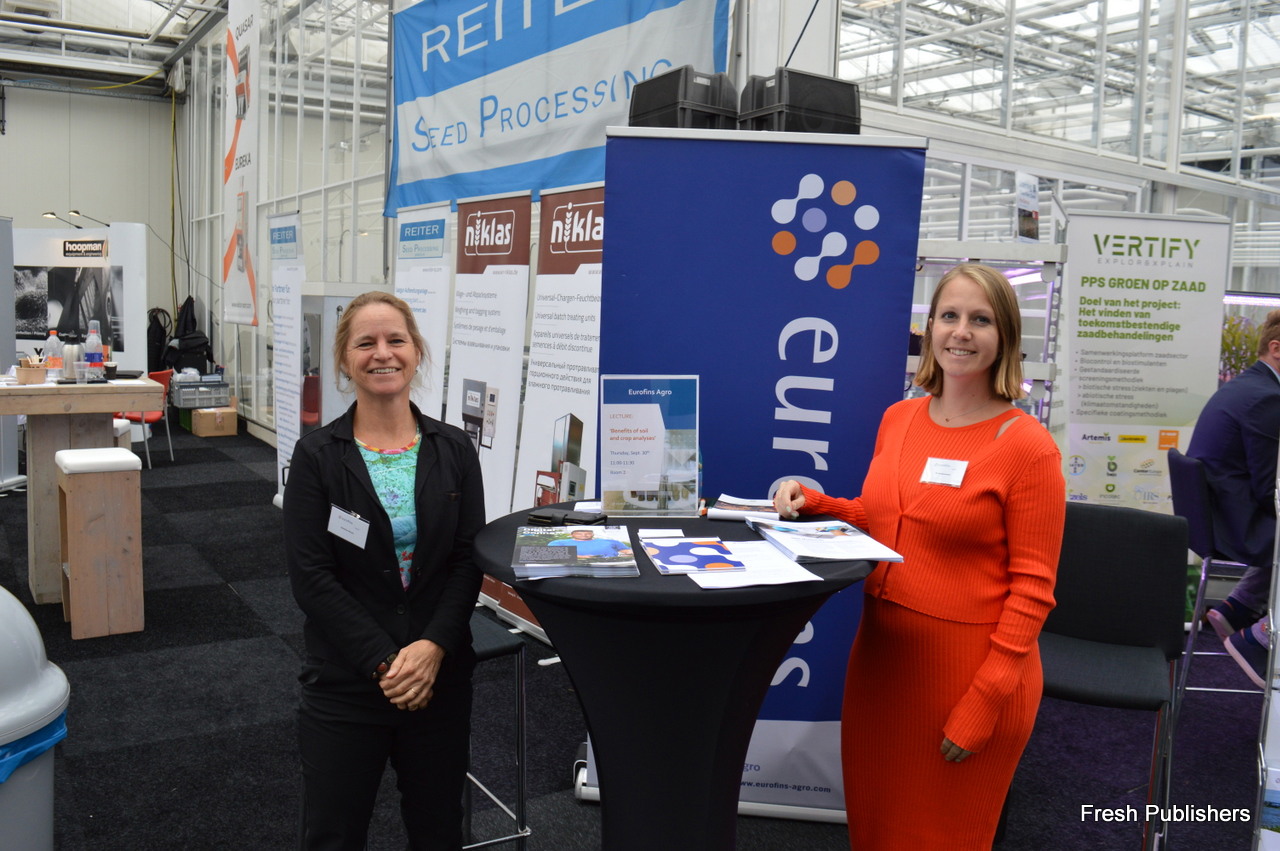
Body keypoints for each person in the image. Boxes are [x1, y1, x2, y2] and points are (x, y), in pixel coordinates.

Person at [774, 263, 1065, 849]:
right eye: (949, 315)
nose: (962, 332)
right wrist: (816, 502)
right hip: (882, 662)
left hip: (967, 676)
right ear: (930, 327)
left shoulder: (1029, 448)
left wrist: (984, 703)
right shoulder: (899, 418)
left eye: (981, 320)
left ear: (1006, 336)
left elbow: (1034, 592)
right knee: (874, 831)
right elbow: (887, 516)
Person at [284, 291, 484, 850]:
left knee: (439, 829)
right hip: (347, 680)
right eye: (365, 343)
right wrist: (386, 662)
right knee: (333, 833)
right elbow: (312, 578)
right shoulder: (317, 457)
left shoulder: (454, 449)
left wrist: (432, 648)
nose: (382, 353)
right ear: (345, 360)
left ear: (416, 351)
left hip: (437, 677)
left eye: (396, 340)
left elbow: (467, 560)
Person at [1189, 309, 1280, 688]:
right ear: (1276, 348)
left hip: (1216, 516)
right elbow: (1269, 491)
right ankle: (1259, 638)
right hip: (1233, 523)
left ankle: (1237, 608)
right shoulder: (1267, 398)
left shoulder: (1249, 386)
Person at [547, 528, 633, 558]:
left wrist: (629, 554)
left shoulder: (609, 541)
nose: (584, 535)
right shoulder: (559, 542)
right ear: (571, 535)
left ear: (592, 534)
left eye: (587, 533)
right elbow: (551, 553)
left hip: (612, 564)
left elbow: (626, 551)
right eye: (579, 533)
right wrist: (581, 557)